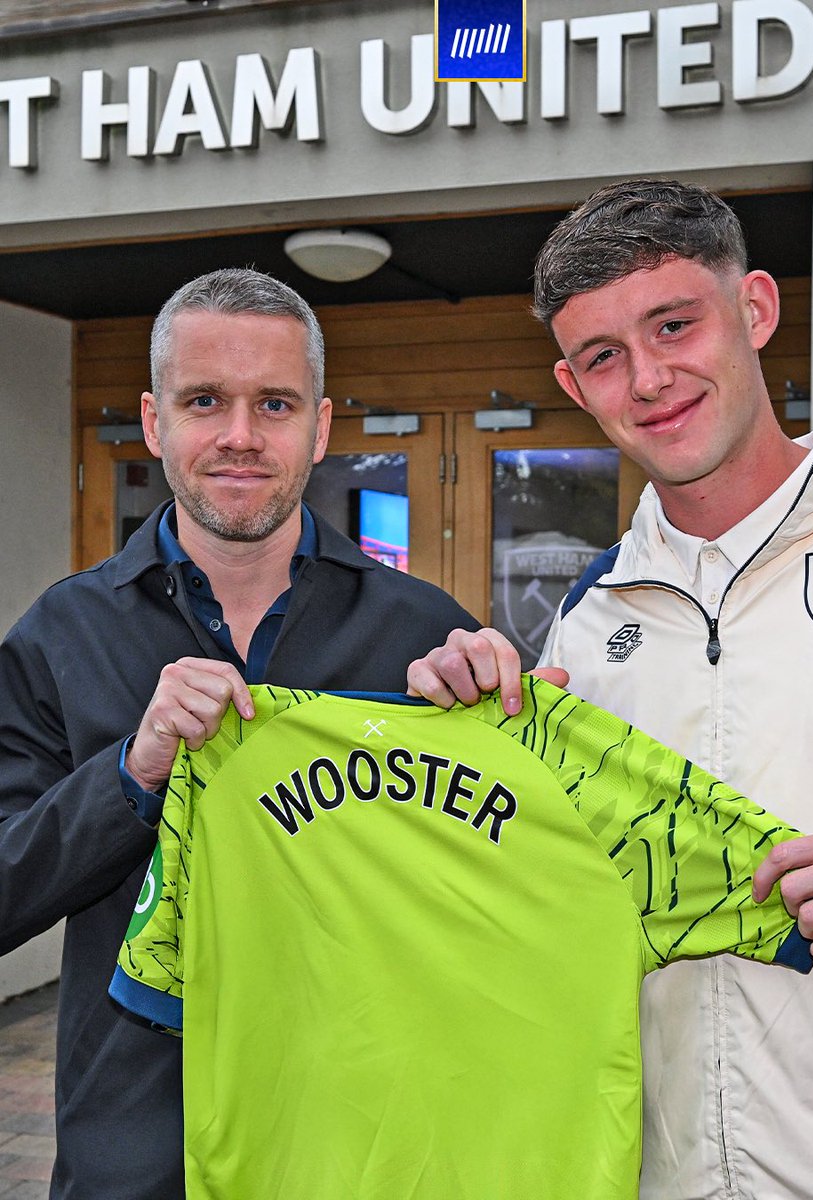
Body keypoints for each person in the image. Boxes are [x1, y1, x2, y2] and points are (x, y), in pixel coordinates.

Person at [407, 179, 813, 1199]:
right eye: (605, 357)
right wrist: (469, 750)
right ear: (574, 387)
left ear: (754, 309)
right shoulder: (587, 616)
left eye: (674, 324)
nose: (650, 379)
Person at [0, 267, 478, 1199]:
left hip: (361, 1149)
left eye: (276, 404)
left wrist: (498, 724)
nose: (240, 437)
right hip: (137, 1157)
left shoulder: (426, 634)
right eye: (205, 401)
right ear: (152, 421)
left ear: (322, 425)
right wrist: (132, 775)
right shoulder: (60, 636)